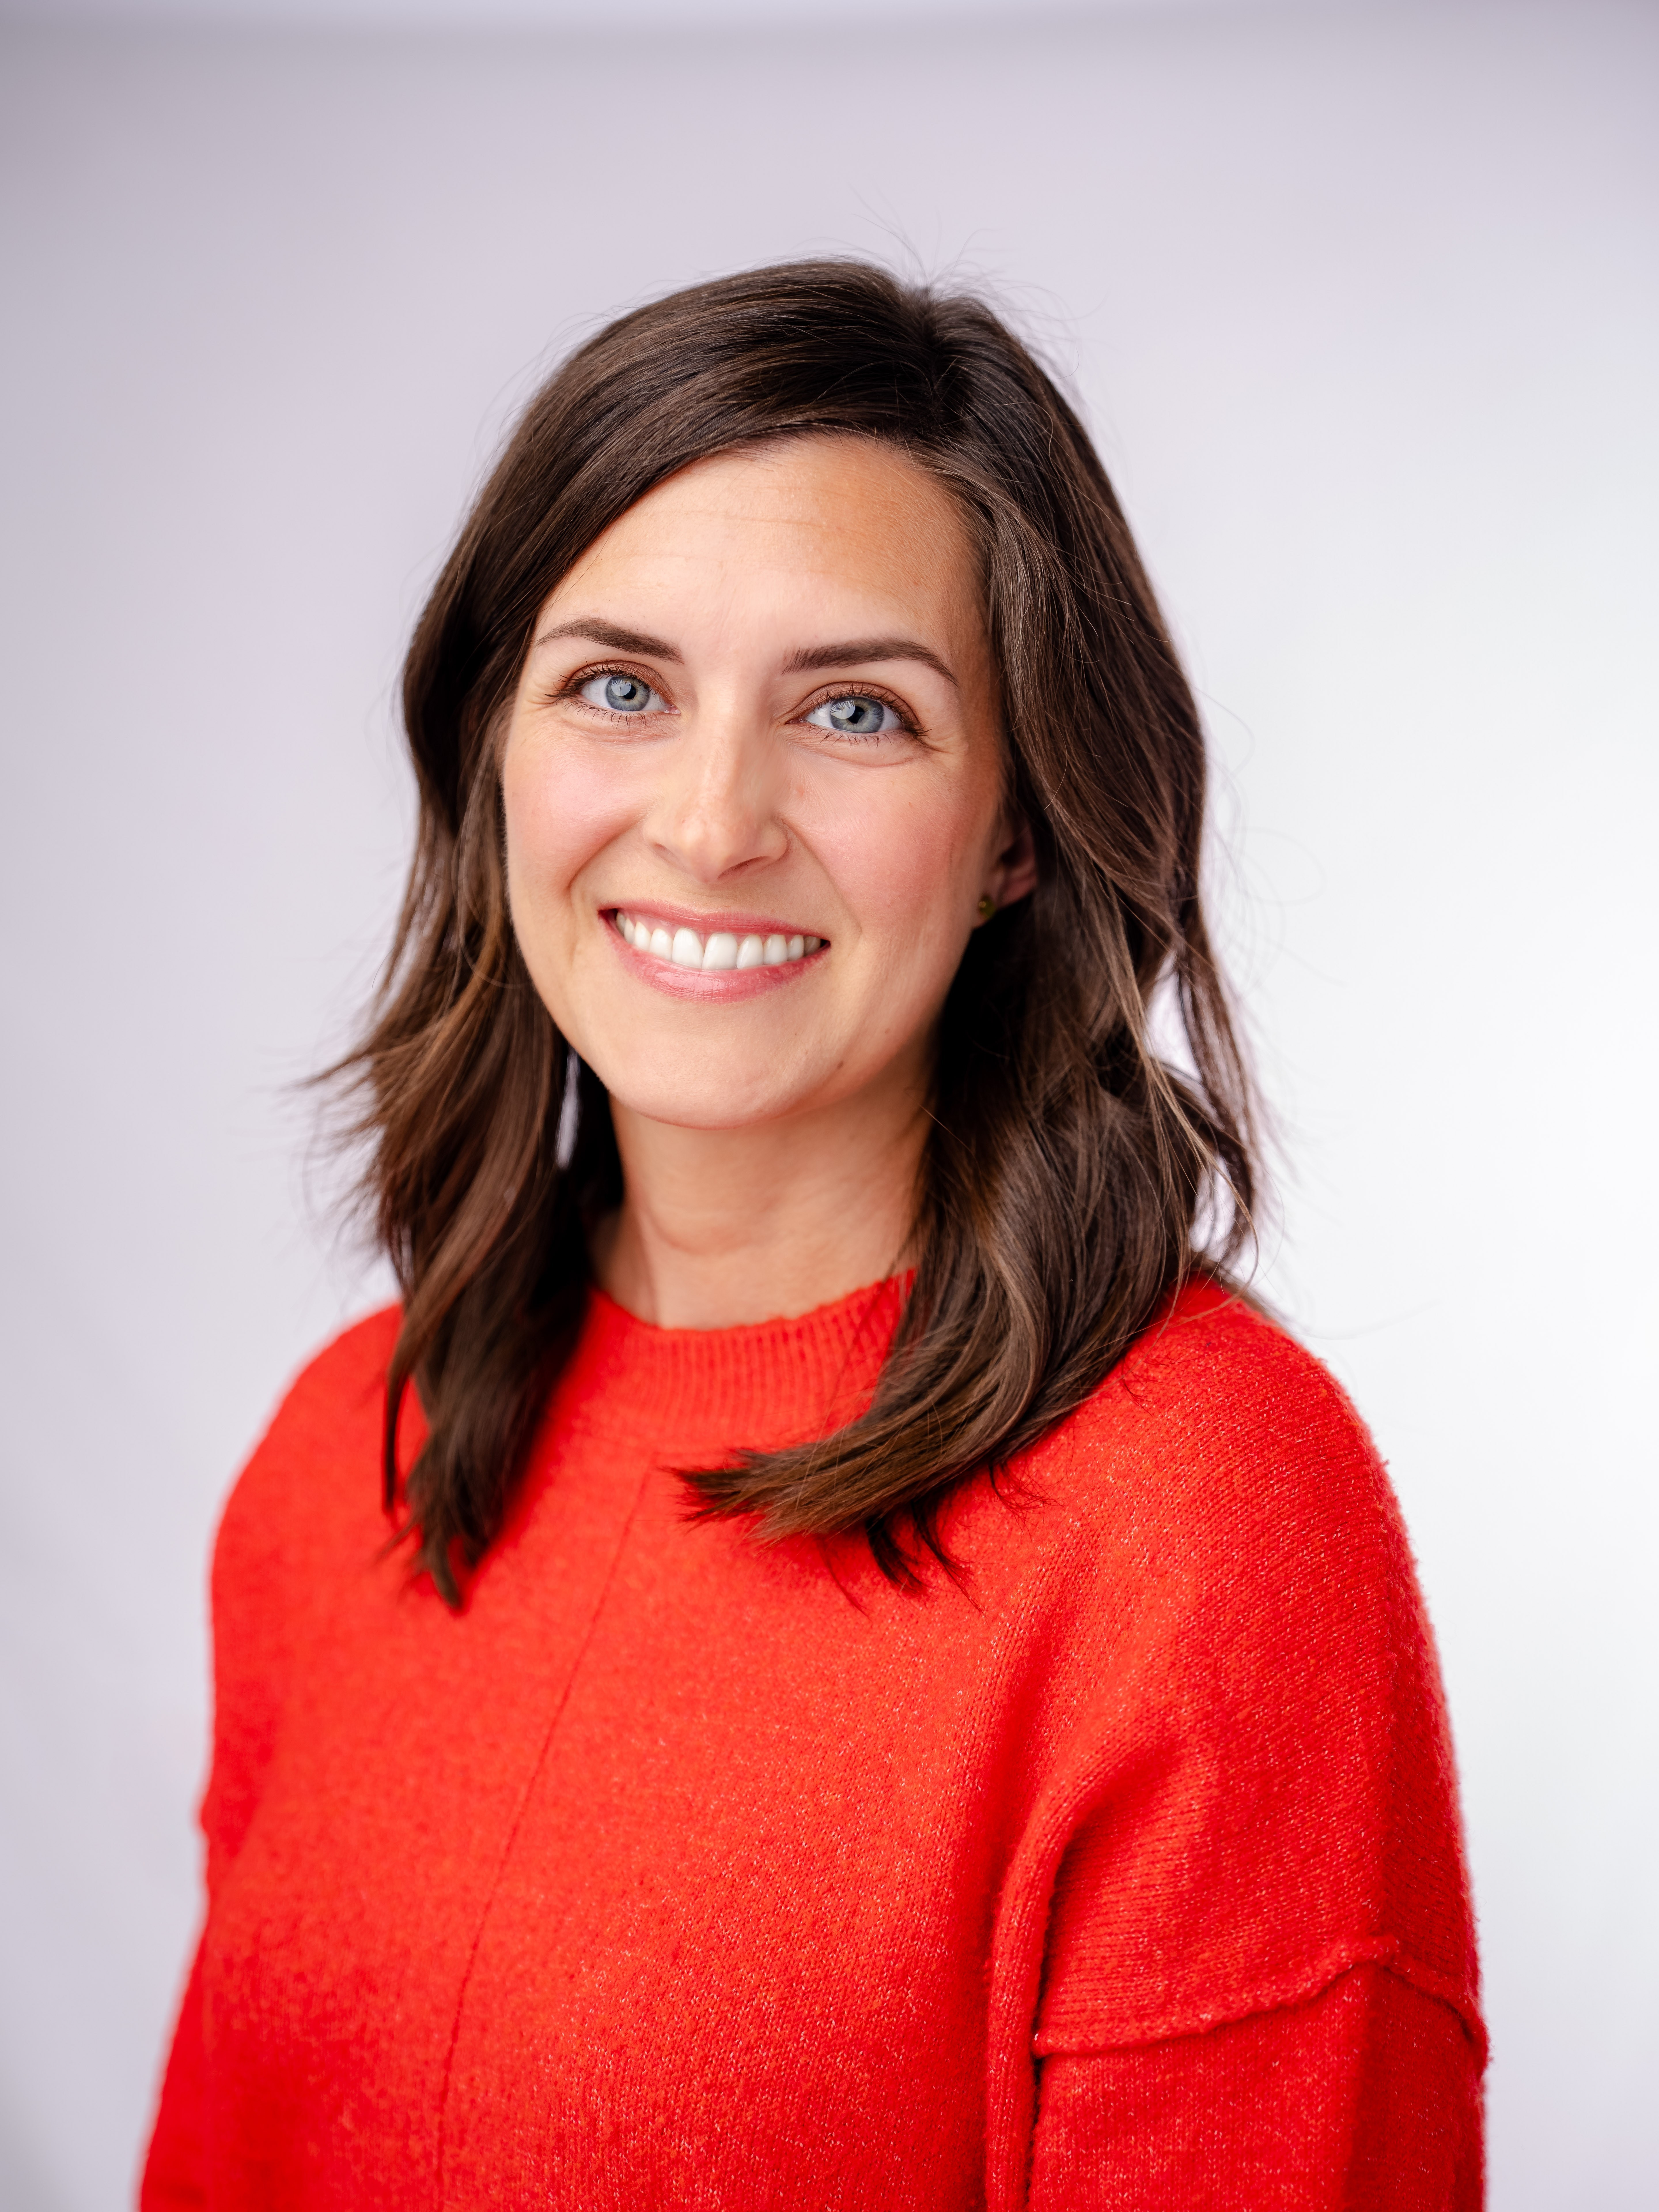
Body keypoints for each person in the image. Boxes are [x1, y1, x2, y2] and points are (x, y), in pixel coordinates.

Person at [141, 261, 1483, 2209]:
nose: (711, 821)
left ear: (1019, 824)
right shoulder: (346, 1457)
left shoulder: (1207, 1520)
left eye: (856, 710)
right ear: (492, 754)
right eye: (621, 686)